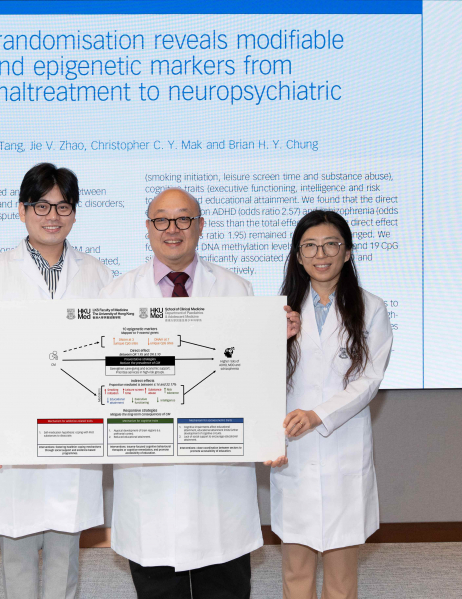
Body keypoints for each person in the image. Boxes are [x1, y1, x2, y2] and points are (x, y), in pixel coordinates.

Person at [99, 188, 300, 599]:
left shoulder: (236, 289)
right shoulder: (116, 295)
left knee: (224, 587)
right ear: (147, 228)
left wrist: (273, 341)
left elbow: (252, 376)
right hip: (150, 473)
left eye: (184, 218)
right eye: (161, 219)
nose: (172, 229)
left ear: (201, 225)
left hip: (218, 478)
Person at [0, 163, 112, 599]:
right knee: (17, 545)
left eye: (63, 206)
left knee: (66, 551)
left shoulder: (98, 273)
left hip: (74, 425)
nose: (52, 216)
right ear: (22, 210)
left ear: (75, 213)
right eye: (41, 205)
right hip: (17, 424)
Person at [265, 210, 393, 599]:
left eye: (331, 244)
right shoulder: (278, 312)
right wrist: (275, 340)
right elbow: (258, 377)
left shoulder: (371, 308)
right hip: (294, 449)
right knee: (296, 574)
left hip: (343, 449)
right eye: (310, 246)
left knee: (341, 579)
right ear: (298, 255)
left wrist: (317, 415)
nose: (321, 254)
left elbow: (369, 380)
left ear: (347, 252)